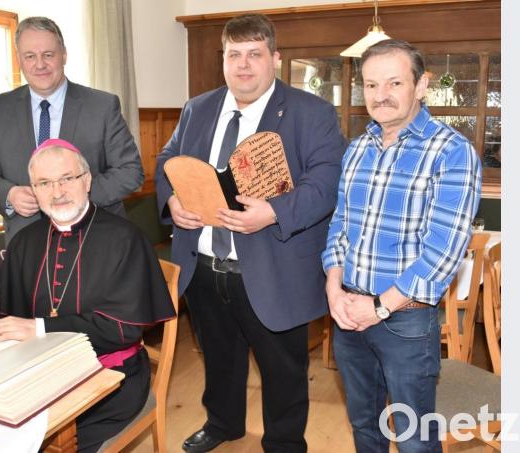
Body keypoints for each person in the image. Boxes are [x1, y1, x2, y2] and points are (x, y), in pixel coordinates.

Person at [155, 14, 346, 453]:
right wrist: (172, 200)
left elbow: (327, 182)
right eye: (234, 55)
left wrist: (274, 212)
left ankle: (282, 442)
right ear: (222, 60)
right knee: (219, 358)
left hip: (274, 266)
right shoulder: (196, 108)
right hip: (203, 265)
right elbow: (168, 158)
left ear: (275, 59)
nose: (243, 65)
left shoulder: (310, 112)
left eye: (254, 55)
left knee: (283, 370)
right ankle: (223, 424)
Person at [0, 139, 175, 453]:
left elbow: (122, 329)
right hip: (37, 373)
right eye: (44, 183)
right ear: (33, 189)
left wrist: (39, 328)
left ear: (86, 181)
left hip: (109, 379)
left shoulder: (125, 239)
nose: (56, 192)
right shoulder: (26, 240)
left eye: (66, 179)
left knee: (44, 438)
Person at [321, 39, 482, 453]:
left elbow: (443, 252)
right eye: (371, 85)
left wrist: (378, 307)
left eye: (394, 82)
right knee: (364, 428)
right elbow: (340, 225)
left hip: (405, 322)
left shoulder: (452, 151)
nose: (381, 95)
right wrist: (334, 288)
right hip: (348, 314)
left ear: (421, 84)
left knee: (414, 438)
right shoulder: (356, 150)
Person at [0, 16, 144, 244]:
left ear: (64, 55)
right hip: (26, 244)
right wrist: (9, 194)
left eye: (48, 55)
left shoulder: (102, 106)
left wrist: (75, 195)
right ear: (19, 60)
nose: (40, 64)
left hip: (94, 239)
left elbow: (130, 171)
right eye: (30, 56)